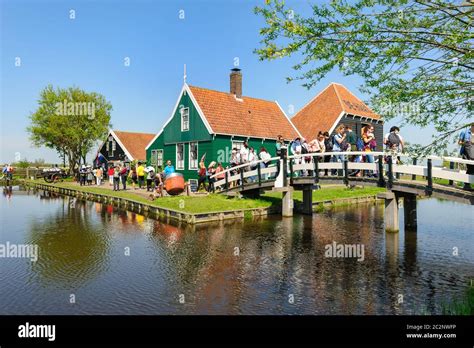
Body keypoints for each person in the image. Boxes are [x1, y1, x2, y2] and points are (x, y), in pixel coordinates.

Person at [458, 123, 474, 190]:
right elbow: (459, 142)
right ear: (472, 126)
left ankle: (467, 185)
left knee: (471, 169)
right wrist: (466, 143)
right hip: (466, 153)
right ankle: (467, 185)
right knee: (470, 167)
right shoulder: (464, 132)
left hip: (473, 152)